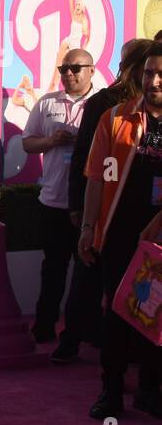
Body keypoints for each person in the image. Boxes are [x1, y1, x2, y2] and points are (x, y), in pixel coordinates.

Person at [79, 41, 162, 420]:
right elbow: (96, 177)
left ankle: (149, 389)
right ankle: (110, 390)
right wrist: (87, 228)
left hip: (159, 239)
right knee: (116, 312)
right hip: (120, 235)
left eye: (160, 74)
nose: (154, 81)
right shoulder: (115, 118)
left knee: (157, 315)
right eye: (148, 73)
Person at [63, 38, 152, 363]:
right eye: (148, 69)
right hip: (108, 214)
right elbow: (87, 162)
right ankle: (75, 341)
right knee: (92, 277)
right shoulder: (108, 107)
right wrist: (82, 211)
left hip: (148, 221)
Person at [22, 48, 101, 348]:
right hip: (52, 201)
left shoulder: (103, 105)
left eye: (75, 68)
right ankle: (44, 327)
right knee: (52, 269)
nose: (68, 73)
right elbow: (28, 143)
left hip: (86, 203)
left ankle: (81, 332)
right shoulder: (47, 102)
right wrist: (50, 141)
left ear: (92, 70)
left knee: (87, 273)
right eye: (63, 68)